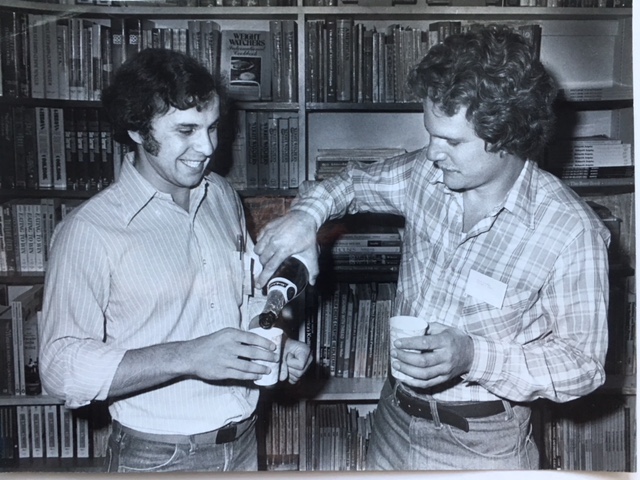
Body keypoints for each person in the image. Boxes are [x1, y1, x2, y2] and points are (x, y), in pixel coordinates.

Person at [254, 25, 610, 470]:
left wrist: (472, 355)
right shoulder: (425, 175)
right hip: (392, 419)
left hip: (481, 445)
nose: (433, 153)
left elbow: (583, 366)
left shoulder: (571, 230)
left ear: (506, 137)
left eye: (452, 141)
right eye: (431, 134)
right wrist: (305, 217)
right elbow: (351, 184)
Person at [39, 48, 311, 473]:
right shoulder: (88, 231)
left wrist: (275, 344)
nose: (206, 148)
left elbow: (242, 298)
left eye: (212, 128)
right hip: (156, 458)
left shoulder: (221, 195)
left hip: (242, 443)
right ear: (136, 130)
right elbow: (60, 368)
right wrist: (187, 356)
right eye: (185, 130)